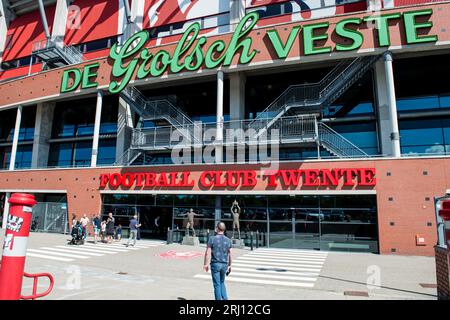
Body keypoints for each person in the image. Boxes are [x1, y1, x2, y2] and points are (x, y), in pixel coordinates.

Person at [203, 222, 232, 300]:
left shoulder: (212, 239)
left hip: (215, 264)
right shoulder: (228, 240)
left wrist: (205, 264)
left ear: (217, 228)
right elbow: (230, 254)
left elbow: (207, 252)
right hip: (224, 264)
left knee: (217, 284)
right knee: (222, 282)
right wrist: (230, 265)